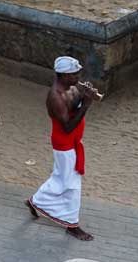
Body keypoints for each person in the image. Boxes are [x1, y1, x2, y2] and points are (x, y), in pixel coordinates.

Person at [26, 56, 98, 241]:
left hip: (73, 141)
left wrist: (86, 96)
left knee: (60, 177)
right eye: (74, 74)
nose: (78, 77)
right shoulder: (55, 97)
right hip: (64, 143)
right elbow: (67, 127)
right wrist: (87, 104)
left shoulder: (72, 87)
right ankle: (72, 224)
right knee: (72, 184)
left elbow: (76, 105)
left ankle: (36, 201)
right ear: (64, 75)